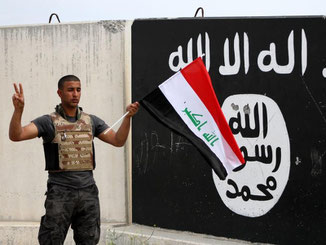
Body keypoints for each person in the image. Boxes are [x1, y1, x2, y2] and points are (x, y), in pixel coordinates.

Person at [9, 75, 139, 245]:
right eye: (70, 90)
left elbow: (118, 140)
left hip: (88, 193)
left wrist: (128, 117)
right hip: (60, 193)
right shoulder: (48, 122)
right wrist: (18, 111)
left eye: (78, 89)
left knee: (89, 241)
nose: (75, 94)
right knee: (51, 240)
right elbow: (16, 135)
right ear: (60, 92)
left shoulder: (91, 121)